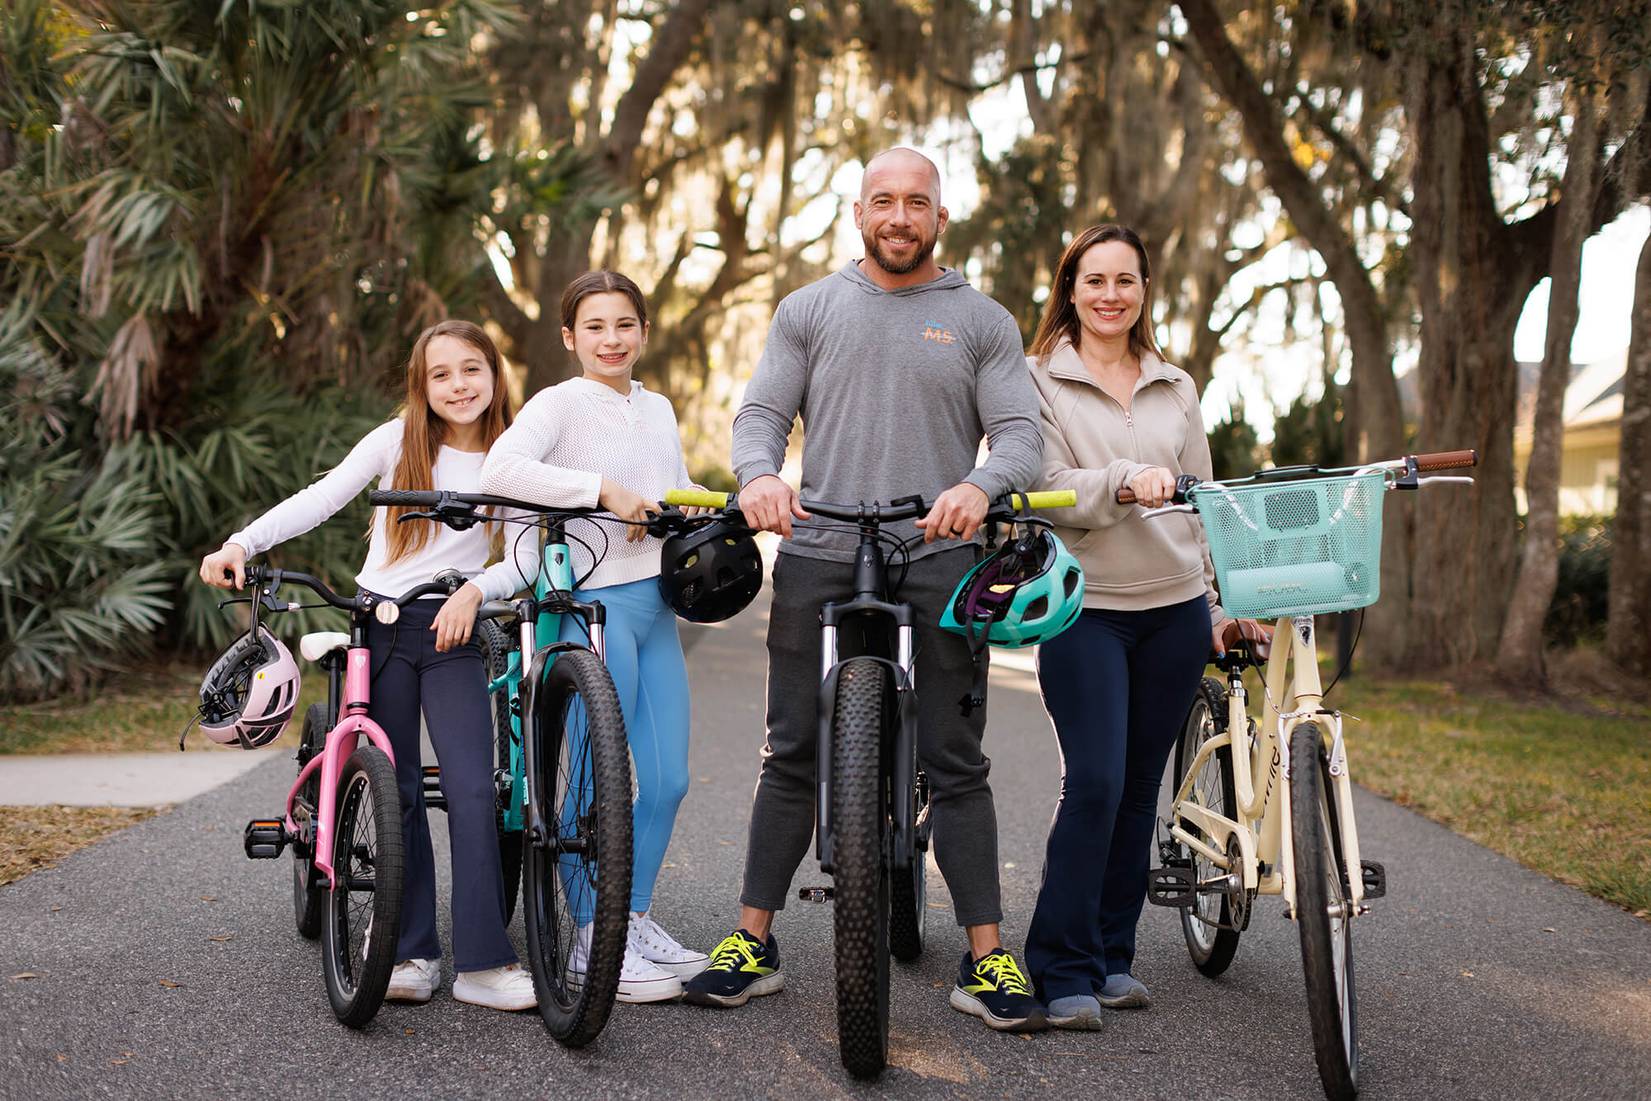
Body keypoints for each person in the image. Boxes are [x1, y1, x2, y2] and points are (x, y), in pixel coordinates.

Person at [682, 147, 1050, 1033]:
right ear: (858, 212)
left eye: (915, 202)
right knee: (790, 747)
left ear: (938, 217)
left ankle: (986, 954)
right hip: (818, 542)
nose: (898, 216)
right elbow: (762, 414)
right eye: (882, 201)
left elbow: (1019, 438)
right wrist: (757, 475)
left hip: (938, 548)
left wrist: (980, 486)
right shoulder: (809, 308)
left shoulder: (981, 320)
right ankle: (751, 940)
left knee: (956, 760)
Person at [199, 320, 540, 1012]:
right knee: (400, 790)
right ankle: (412, 949)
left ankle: (483, 961)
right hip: (380, 626)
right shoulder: (397, 442)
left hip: (454, 628)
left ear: (494, 374)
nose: (458, 385)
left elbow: (528, 554)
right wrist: (241, 540)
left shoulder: (514, 455)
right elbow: (323, 497)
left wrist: (477, 589)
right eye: (441, 374)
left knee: (475, 790)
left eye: (471, 369)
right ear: (422, 385)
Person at [1022, 223, 1271, 1029]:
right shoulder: (1036, 382)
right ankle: (1058, 967)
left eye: (1124, 281)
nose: (1108, 295)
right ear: (1070, 289)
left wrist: (1217, 603)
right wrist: (1126, 481)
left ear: (1142, 292)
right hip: (1084, 605)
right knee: (1091, 782)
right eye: (1093, 280)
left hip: (1171, 609)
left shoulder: (1174, 384)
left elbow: (1201, 505)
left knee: (1135, 794)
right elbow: (1046, 484)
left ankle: (1110, 956)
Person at [479, 270, 708, 1004]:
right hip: (586, 607)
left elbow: (670, 488)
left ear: (644, 331)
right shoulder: (559, 403)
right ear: (571, 338)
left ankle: (629, 917)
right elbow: (501, 468)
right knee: (588, 785)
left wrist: (719, 508)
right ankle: (588, 936)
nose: (612, 340)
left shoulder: (660, 407)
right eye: (596, 327)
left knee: (667, 776)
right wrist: (600, 490)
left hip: (655, 604)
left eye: (625, 325)